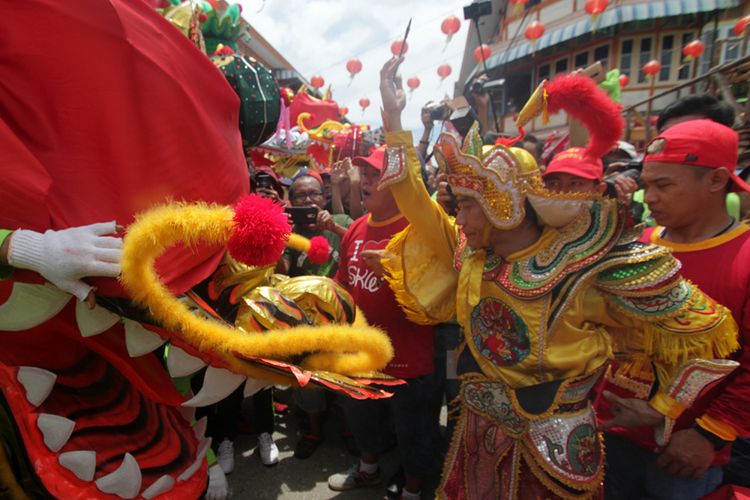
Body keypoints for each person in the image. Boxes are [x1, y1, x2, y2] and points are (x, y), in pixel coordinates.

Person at [376, 56, 739, 499]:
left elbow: (712, 333)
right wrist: (393, 117)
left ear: (502, 206)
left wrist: (665, 408)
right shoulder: (472, 255)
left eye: (469, 204)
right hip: (478, 432)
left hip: (557, 446)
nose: (458, 214)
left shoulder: (586, 265)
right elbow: (413, 200)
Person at [602, 119, 750, 498]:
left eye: (664, 185)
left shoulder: (745, 257)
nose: (649, 198)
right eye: (647, 185)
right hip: (609, 435)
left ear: (716, 181)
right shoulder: (639, 246)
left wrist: (709, 434)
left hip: (683, 453)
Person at [326, 145, 440, 500]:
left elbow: (438, 292)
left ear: (401, 184)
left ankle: (413, 489)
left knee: (414, 431)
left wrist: (396, 272)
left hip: (410, 359)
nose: (367, 181)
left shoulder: (421, 229)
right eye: (367, 174)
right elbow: (344, 285)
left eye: (378, 175)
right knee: (361, 418)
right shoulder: (356, 229)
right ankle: (368, 468)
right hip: (361, 355)